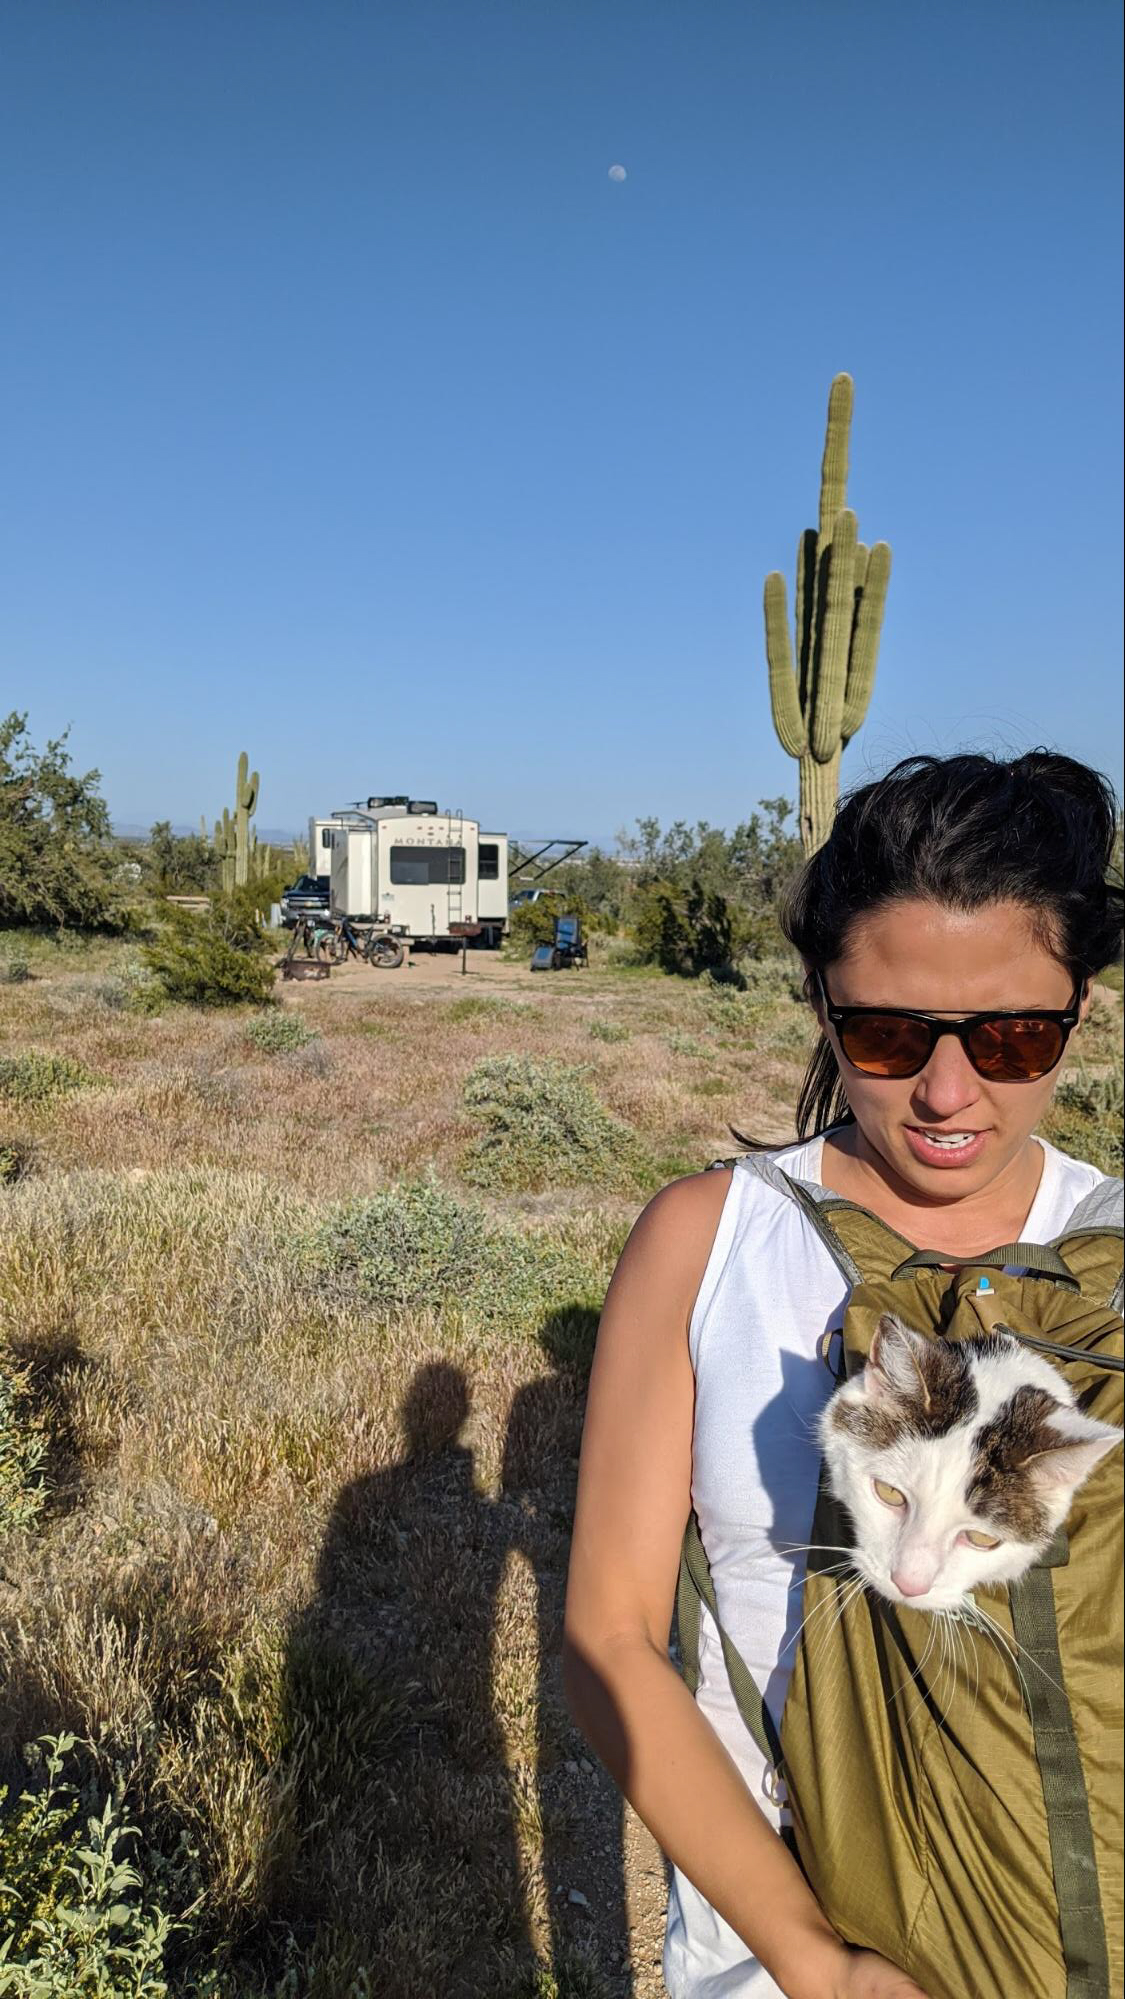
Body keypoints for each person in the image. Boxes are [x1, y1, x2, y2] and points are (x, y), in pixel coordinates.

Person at [562, 750, 1123, 1999]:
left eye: (1016, 1034)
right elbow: (608, 1633)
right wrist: (816, 1963)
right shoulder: (707, 1244)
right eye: (885, 1030)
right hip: (776, 1952)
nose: (946, 1089)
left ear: (1079, 1006)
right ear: (820, 1000)